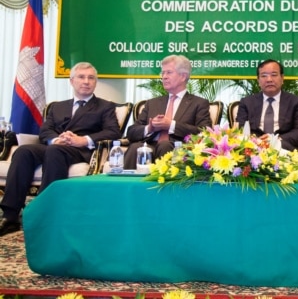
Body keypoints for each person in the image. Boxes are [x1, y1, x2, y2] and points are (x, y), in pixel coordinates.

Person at [0, 62, 121, 237]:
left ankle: (45, 210)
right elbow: (45, 130)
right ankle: (10, 216)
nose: (86, 81)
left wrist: (82, 140)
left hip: (81, 151)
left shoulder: (105, 106)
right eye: (81, 77)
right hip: (57, 145)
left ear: (96, 82)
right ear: (72, 81)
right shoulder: (57, 106)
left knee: (53, 152)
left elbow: (113, 132)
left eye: (91, 78)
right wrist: (56, 139)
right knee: (24, 151)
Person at [124, 55, 211, 169]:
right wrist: (149, 128)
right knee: (136, 147)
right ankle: (127, 185)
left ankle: (164, 186)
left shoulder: (198, 103)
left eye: (169, 72)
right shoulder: (152, 103)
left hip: (177, 149)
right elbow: (131, 132)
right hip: (150, 146)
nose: (164, 77)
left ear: (183, 76)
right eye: (163, 73)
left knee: (164, 146)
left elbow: (204, 132)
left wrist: (171, 125)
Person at [235, 59, 298, 153]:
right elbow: (240, 129)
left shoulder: (296, 102)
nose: (269, 79)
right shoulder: (247, 102)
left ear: (282, 78)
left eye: (274, 75)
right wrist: (259, 141)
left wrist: (273, 139)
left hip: (285, 150)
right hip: (254, 150)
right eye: (264, 76)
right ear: (258, 80)